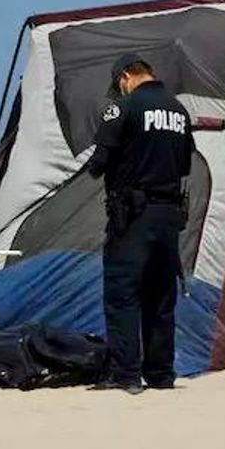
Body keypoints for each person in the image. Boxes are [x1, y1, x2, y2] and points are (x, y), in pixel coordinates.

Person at [85, 54, 194, 394]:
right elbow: (185, 165)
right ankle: (161, 374)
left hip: (132, 217)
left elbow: (99, 162)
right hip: (168, 216)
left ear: (125, 77)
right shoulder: (178, 111)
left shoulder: (122, 107)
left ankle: (126, 375)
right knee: (161, 296)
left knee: (123, 294)